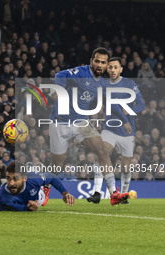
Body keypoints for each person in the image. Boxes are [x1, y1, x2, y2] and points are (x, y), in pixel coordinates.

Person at [49, 47, 129, 206]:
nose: (100, 65)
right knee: (57, 166)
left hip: (81, 123)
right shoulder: (80, 72)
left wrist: (124, 120)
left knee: (103, 150)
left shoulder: (102, 85)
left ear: (107, 65)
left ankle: (113, 193)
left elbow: (111, 104)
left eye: (103, 62)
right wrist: (60, 89)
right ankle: (44, 189)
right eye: (97, 61)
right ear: (91, 61)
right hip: (60, 122)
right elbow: (60, 75)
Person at [87, 57, 145, 204]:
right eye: (110, 67)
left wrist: (129, 110)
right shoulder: (104, 85)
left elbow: (142, 104)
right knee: (102, 153)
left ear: (121, 69)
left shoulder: (129, 84)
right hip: (110, 129)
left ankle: (124, 194)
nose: (112, 70)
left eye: (115, 67)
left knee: (126, 167)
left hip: (127, 131)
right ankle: (97, 192)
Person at [0, 162, 75, 211]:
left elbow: (52, 177)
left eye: (15, 179)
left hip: (36, 196)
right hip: (10, 202)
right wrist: (29, 208)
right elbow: (22, 209)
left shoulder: (34, 179)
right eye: (8, 178)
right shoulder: (6, 198)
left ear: (25, 178)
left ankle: (45, 189)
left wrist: (65, 193)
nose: (11, 183)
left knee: (40, 199)